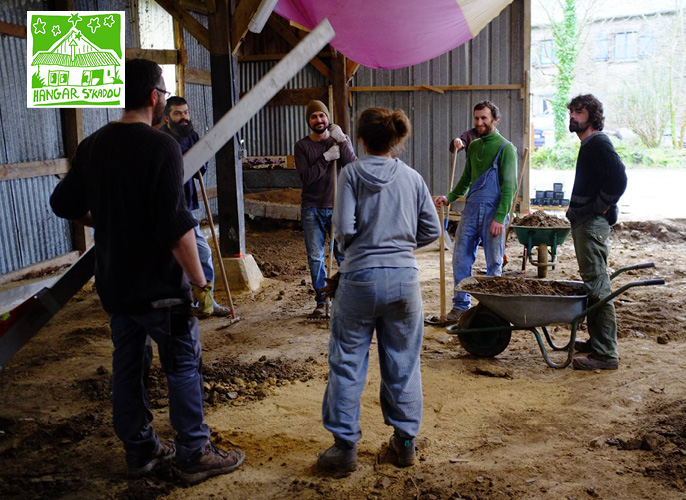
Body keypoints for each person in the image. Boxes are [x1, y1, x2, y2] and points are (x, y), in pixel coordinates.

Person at [49, 59, 245, 484]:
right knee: (182, 363)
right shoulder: (162, 147)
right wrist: (201, 283)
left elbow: (63, 203)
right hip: (161, 289)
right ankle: (194, 453)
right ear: (155, 96)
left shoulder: (93, 145)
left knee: (128, 364)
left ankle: (140, 451)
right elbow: (176, 227)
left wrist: (106, 219)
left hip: (116, 284)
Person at [317, 107, 441, 474]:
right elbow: (432, 230)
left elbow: (343, 229)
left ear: (360, 139)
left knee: (348, 362)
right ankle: (404, 444)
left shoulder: (351, 174)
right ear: (396, 139)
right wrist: (399, 246)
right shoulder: (413, 178)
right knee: (404, 361)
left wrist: (360, 249)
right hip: (404, 282)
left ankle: (343, 450)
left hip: (359, 280)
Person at [434, 101, 517, 322]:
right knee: (460, 258)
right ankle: (460, 306)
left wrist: (500, 217)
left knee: (494, 262)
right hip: (471, 209)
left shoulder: (506, 148)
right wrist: (449, 198)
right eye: (476, 118)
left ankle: (491, 310)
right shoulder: (475, 146)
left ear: (495, 120)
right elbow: (466, 180)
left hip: (494, 212)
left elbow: (510, 186)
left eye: (484, 118)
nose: (479, 123)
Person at [566, 94, 627, 371]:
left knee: (598, 286)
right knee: (594, 284)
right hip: (586, 223)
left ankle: (605, 354)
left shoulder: (598, 143)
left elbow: (618, 178)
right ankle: (598, 341)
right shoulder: (589, 144)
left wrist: (601, 205)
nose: (573, 116)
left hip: (592, 225)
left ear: (592, 115)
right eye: (571, 112)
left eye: (578, 112)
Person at [161, 95, 231, 317]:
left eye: (186, 112)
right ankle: (183, 304)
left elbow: (202, 169)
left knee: (203, 252)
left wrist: (200, 165)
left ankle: (207, 301)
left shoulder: (192, 136)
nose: (184, 117)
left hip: (187, 208)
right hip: (167, 208)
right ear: (166, 117)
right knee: (175, 259)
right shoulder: (161, 139)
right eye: (178, 113)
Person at [294, 100, 357, 318]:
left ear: (328, 118)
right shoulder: (302, 146)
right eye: (314, 117)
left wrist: (343, 141)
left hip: (339, 207)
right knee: (316, 257)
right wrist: (325, 157)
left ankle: (346, 297)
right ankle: (322, 301)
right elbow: (308, 178)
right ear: (308, 121)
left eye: (322, 116)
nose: (319, 120)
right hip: (312, 208)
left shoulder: (337, 141)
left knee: (343, 255)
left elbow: (352, 167)